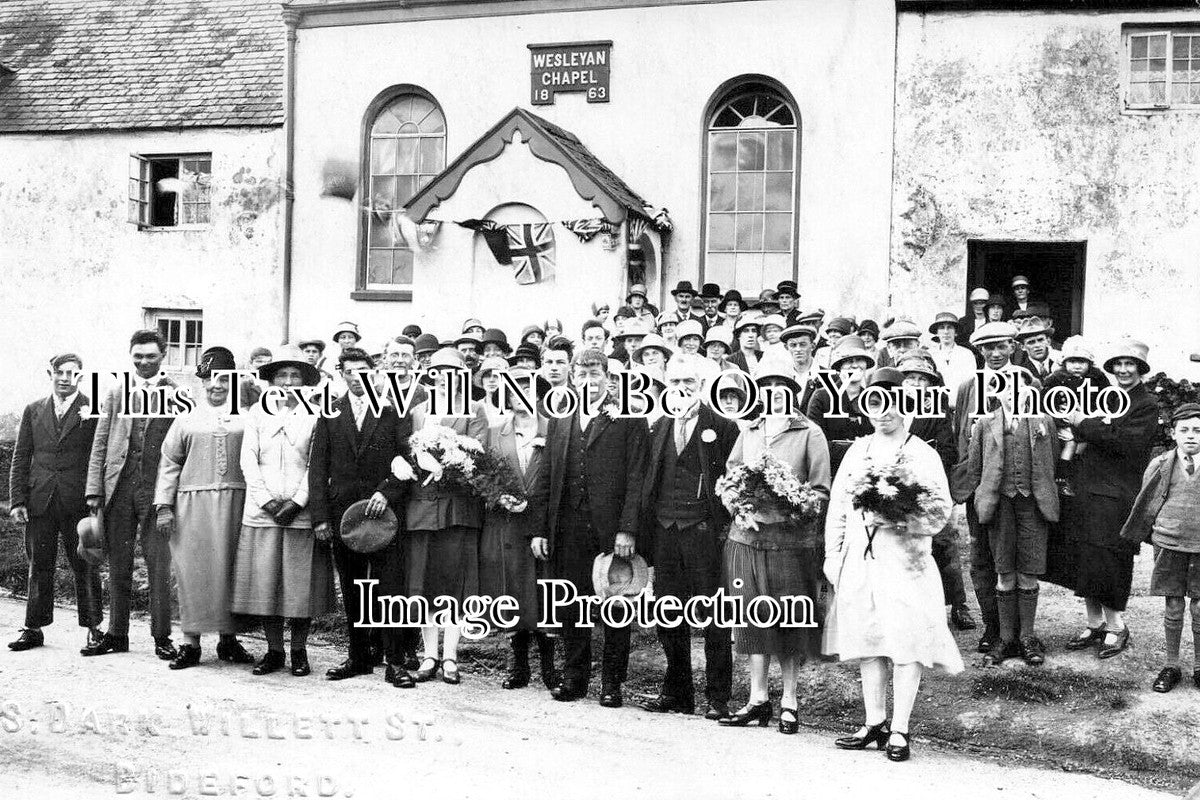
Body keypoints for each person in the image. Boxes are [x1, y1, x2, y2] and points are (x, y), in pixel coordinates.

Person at [824, 367, 964, 763]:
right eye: (873, 404)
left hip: (906, 562)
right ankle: (874, 722)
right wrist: (833, 555)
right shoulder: (857, 450)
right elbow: (838, 507)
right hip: (861, 559)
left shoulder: (922, 452)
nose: (882, 412)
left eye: (890, 403)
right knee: (868, 639)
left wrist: (900, 519)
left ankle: (900, 729)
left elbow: (940, 514)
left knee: (905, 642)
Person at [529, 348, 649, 707]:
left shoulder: (628, 417)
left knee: (615, 605)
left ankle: (612, 684)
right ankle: (575, 679)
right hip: (567, 527)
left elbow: (636, 477)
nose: (587, 381)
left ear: (608, 378)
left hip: (610, 531)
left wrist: (627, 529)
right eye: (580, 374)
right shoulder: (561, 418)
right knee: (571, 604)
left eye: (594, 374)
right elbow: (548, 476)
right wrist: (540, 529)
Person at [719, 360, 830, 733]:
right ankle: (757, 698)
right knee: (753, 619)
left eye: (781, 386)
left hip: (789, 543)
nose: (773, 394)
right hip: (747, 540)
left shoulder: (810, 433)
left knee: (788, 620)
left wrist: (788, 507)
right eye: (766, 387)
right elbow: (731, 477)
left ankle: (790, 701)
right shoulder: (749, 430)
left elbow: (819, 491)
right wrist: (739, 508)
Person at [639, 355, 739, 720]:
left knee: (714, 616)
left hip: (704, 535)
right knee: (669, 615)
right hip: (665, 533)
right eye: (675, 381)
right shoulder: (660, 426)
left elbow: (734, 483)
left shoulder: (724, 427)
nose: (681, 388)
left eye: (689, 382)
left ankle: (718, 698)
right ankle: (677, 692)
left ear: (702, 385)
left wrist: (721, 527)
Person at [309, 347, 415, 687]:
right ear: (341, 374)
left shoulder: (394, 409)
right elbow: (318, 467)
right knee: (353, 587)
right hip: (344, 516)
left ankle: (395, 662)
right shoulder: (330, 412)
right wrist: (321, 517)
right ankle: (357, 657)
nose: (357, 377)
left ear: (375, 371)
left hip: (384, 513)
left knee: (389, 588)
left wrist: (387, 491)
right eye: (350, 371)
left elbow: (410, 458)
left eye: (363, 371)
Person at [233, 347, 336, 676]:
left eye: (295, 376)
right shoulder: (256, 415)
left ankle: (299, 651)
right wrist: (267, 501)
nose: (289, 382)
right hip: (263, 511)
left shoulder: (317, 415)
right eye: (282, 375)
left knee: (298, 584)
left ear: (305, 381)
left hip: (299, 512)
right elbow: (248, 459)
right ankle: (274, 650)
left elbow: (316, 464)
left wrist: (297, 501)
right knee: (267, 583)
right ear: (271, 380)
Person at [153, 346, 255, 670]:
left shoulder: (248, 417)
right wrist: (164, 507)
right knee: (193, 573)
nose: (216, 386)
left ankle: (229, 640)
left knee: (232, 572)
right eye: (210, 379)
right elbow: (169, 462)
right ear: (202, 382)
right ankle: (190, 643)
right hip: (192, 507)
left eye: (223, 379)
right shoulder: (186, 419)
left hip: (238, 505)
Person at [83, 330, 177, 659]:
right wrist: (94, 490)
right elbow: (100, 442)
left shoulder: (177, 395)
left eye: (150, 356)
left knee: (158, 565)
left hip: (156, 493)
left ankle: (162, 637)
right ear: (131, 356)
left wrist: (172, 498)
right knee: (118, 564)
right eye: (138, 356)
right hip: (119, 488)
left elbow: (181, 450)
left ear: (163, 356)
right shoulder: (115, 392)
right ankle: (116, 634)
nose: (144, 361)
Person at [1063, 339, 1158, 659]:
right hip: (1089, 487)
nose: (1123, 370)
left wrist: (1082, 423)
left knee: (1112, 558)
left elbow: (1124, 443)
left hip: (1118, 493)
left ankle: (1117, 627)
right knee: (1086, 555)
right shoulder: (1106, 397)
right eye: (1118, 364)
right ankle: (1094, 624)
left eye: (1130, 364)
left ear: (1140, 369)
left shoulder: (1145, 404)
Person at [7, 353, 102, 652]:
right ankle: (33, 628)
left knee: (85, 563)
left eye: (71, 374)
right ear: (50, 373)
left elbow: (98, 457)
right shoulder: (34, 410)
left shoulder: (93, 409)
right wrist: (17, 500)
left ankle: (94, 628)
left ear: (80, 377)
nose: (64, 378)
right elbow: (21, 456)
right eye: (59, 372)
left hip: (79, 501)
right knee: (39, 565)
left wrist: (95, 499)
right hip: (40, 501)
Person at [406, 348, 490, 685]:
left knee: (454, 585)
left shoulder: (475, 411)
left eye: (452, 371)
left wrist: (452, 454)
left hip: (458, 508)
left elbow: (480, 457)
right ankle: (429, 654)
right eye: (438, 370)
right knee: (426, 583)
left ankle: (451, 656)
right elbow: (407, 452)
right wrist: (419, 457)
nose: (444, 377)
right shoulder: (417, 412)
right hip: (424, 507)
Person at [967, 369, 1060, 666]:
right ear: (997, 393)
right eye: (1007, 389)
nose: (1014, 395)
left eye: (1021, 390)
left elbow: (1052, 460)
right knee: (1005, 572)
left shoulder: (1043, 423)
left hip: (1032, 504)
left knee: (1028, 571)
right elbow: (975, 467)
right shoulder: (984, 424)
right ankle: (1006, 638)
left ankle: (1028, 637)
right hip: (1000, 505)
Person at [480, 369, 559, 693]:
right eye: (514, 390)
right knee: (512, 591)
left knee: (545, 593)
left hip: (542, 524)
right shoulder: (496, 432)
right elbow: (481, 475)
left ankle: (551, 669)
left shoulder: (554, 429)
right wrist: (498, 496)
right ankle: (519, 666)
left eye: (527, 389)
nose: (521, 395)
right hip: (508, 524)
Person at [1119, 404, 1200, 693]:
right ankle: (1171, 664)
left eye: (1198, 431)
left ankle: (1199, 667)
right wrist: (1148, 535)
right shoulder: (1161, 464)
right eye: (1185, 430)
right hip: (1169, 543)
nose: (1191, 436)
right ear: (1173, 432)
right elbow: (1146, 502)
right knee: (1174, 603)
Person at [896, 353, 974, 632]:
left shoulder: (937, 409)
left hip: (929, 482)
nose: (916, 384)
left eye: (922, 379)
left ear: (931, 384)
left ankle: (959, 605)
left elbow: (947, 448)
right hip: (894, 486)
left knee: (944, 541)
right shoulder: (890, 408)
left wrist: (919, 466)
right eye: (910, 378)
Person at [807, 335, 876, 477]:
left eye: (859, 360)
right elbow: (815, 440)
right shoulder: (822, 397)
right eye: (849, 361)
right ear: (840, 366)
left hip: (864, 474)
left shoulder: (873, 400)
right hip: (829, 471)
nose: (855, 365)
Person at [927, 312, 976, 403]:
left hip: (961, 405)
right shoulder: (929, 355)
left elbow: (971, 384)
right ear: (937, 333)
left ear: (956, 332)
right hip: (936, 406)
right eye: (942, 328)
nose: (946, 331)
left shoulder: (966, 354)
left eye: (949, 327)